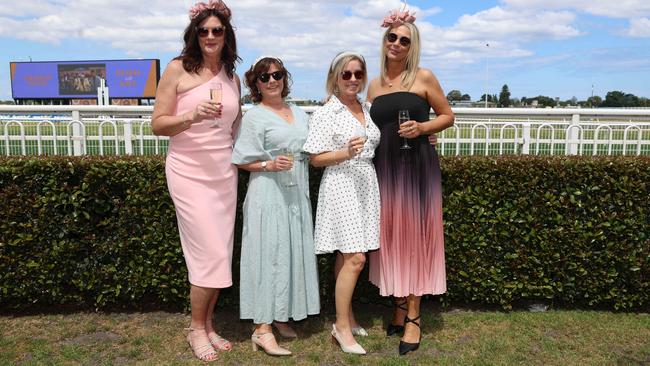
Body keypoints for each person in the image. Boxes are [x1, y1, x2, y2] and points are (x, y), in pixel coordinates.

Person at [151, 0, 241, 362]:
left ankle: (208, 325)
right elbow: (158, 124)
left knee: (220, 253)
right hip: (189, 171)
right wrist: (190, 115)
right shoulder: (177, 69)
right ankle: (195, 329)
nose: (210, 36)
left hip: (223, 172)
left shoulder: (232, 76)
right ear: (194, 34)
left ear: (226, 35)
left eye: (216, 30)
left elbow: (236, 126)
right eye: (203, 30)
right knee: (209, 254)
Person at [366, 8, 455, 356]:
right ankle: (400, 305)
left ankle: (414, 317)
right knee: (392, 238)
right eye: (393, 37)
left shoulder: (424, 77)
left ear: (412, 45)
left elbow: (447, 116)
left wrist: (423, 128)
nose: (398, 44)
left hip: (416, 167)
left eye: (405, 40)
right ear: (384, 39)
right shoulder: (373, 84)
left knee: (414, 238)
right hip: (384, 168)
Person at [232, 57, 320, 356]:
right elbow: (242, 160)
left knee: (290, 254)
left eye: (277, 75)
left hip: (296, 194)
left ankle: (280, 314)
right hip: (267, 195)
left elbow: (313, 148)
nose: (272, 81)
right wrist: (268, 164)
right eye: (264, 77)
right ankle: (262, 328)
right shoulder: (254, 117)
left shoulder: (299, 112)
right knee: (267, 256)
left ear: (285, 78)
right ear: (255, 83)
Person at [303, 51, 381, 355]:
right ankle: (341, 327)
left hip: (366, 185)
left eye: (358, 74)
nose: (352, 79)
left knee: (345, 255)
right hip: (341, 185)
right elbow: (315, 159)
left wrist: (427, 137)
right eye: (346, 74)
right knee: (356, 259)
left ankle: (347, 315)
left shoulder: (369, 108)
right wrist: (345, 154)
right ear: (335, 77)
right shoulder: (326, 113)